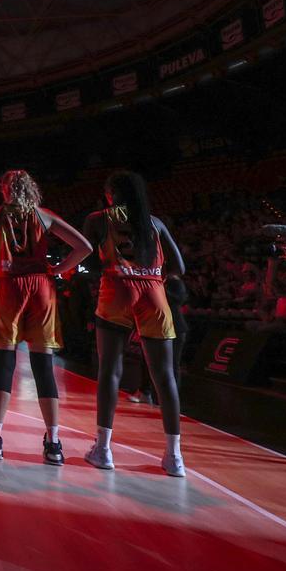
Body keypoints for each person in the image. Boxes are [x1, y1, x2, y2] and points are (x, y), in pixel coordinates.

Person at [0, 171, 92, 464]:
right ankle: (53, 443)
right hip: (40, 287)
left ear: (4, 189)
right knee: (43, 366)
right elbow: (85, 247)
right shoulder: (43, 215)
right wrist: (58, 268)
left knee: (3, 363)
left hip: (7, 286)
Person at [83, 171, 188, 477]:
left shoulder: (99, 218)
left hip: (117, 288)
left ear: (111, 194)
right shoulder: (154, 222)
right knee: (165, 377)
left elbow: (86, 257)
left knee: (110, 371)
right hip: (154, 292)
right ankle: (174, 457)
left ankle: (103, 449)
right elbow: (179, 266)